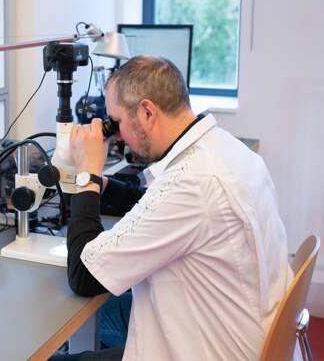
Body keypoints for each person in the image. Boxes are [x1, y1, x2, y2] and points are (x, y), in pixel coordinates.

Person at [59, 56, 291, 360]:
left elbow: (84, 277)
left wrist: (86, 176)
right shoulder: (226, 150)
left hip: (211, 349)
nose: (116, 135)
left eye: (116, 122)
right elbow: (152, 201)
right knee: (110, 310)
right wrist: (103, 185)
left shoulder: (191, 185)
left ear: (146, 112)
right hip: (232, 324)